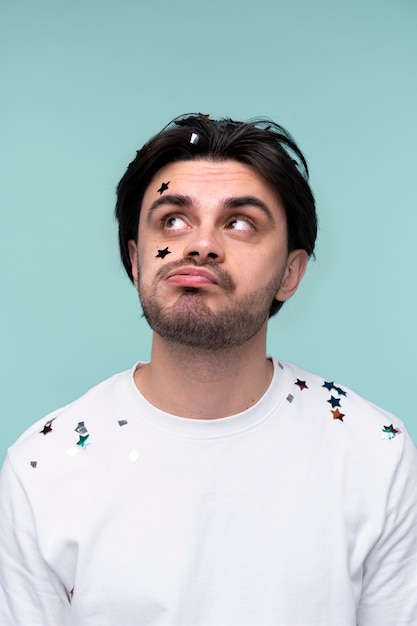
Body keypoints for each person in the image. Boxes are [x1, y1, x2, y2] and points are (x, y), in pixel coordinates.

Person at [0, 114, 416, 626]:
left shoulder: (376, 454)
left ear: (291, 272)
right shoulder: (41, 468)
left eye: (239, 222)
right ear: (135, 260)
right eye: (172, 219)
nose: (200, 244)